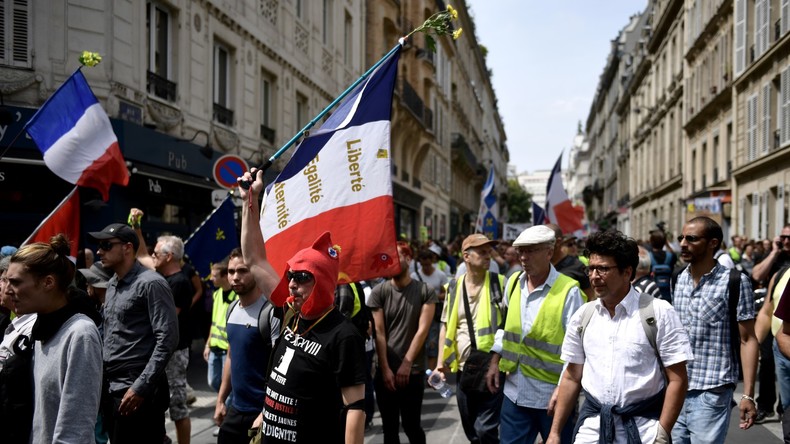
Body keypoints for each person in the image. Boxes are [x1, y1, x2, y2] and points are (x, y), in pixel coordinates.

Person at [238, 168, 367, 444]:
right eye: (291, 275)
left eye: (303, 277)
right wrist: (250, 200)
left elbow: (355, 408)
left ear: (322, 282)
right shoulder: (290, 312)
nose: (293, 284)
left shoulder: (343, 335)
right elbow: (254, 260)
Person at [547, 230, 692, 444]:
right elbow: (571, 377)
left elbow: (678, 379)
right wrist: (555, 433)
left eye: (603, 269)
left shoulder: (658, 312)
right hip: (592, 431)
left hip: (644, 432)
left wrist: (661, 434)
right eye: (591, 268)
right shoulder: (583, 316)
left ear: (627, 272)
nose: (595, 276)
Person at [486, 225, 585, 444]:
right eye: (520, 251)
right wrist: (495, 360)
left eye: (530, 251)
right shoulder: (512, 283)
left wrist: (563, 389)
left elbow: (577, 350)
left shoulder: (569, 291)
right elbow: (505, 326)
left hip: (551, 399)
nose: (523, 257)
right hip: (514, 394)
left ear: (549, 252)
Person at [6, 235, 104, 443]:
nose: (7, 290)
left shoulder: (80, 334)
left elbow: (75, 430)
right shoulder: (37, 327)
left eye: (15, 282)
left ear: (48, 282)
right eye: (6, 281)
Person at [671, 216, 760, 442]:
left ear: (713, 243)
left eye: (691, 239)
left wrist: (748, 394)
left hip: (712, 391)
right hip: (675, 389)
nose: (683, 244)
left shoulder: (736, 282)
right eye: (681, 238)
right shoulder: (677, 279)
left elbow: (748, 339)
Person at [90, 222, 178, 444]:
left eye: (106, 245)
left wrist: (141, 386)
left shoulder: (151, 283)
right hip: (112, 390)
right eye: (99, 245)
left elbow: (167, 339)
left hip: (137, 392)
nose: (100, 251)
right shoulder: (112, 284)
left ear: (127, 247)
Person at [434, 233, 506, 444]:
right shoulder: (454, 287)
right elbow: (446, 327)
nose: (488, 256)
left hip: (493, 367)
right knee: (470, 427)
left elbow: (511, 325)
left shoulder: (500, 283)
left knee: (486, 429)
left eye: (489, 251)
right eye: (482, 252)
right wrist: (440, 363)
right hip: (465, 368)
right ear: (466, 256)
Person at [369, 242, 437, 444]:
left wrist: (407, 364)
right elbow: (379, 331)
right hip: (385, 372)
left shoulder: (425, 291)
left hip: (413, 371)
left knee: (411, 426)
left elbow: (422, 330)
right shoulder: (379, 292)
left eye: (397, 256)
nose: (393, 261)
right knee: (389, 429)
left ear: (409, 259)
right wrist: (385, 368)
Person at [213, 248, 281, 444]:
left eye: (243, 271)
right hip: (236, 409)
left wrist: (267, 412)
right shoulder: (232, 309)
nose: (235, 277)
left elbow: (280, 369)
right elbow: (231, 356)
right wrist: (220, 401)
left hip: (264, 413)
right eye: (231, 271)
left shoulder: (270, 313)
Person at [152, 235, 193, 444]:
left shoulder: (179, 283)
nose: (152, 257)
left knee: (178, 406)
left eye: (156, 254)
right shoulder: (163, 279)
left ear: (169, 257)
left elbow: (166, 320)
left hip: (175, 353)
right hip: (165, 352)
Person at [0, 255, 37, 443]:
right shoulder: (13, 323)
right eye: (5, 280)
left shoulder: (34, 328)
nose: (6, 288)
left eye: (11, 281)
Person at [411, 247, 448, 371]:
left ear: (433, 261)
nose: (426, 267)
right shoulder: (415, 276)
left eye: (428, 264)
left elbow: (446, 293)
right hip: (418, 312)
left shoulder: (440, 275)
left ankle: (432, 372)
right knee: (417, 340)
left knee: (433, 342)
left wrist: (433, 296)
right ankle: (418, 369)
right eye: (423, 265)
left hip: (434, 313)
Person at [546, 224, 593, 300]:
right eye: (569, 244)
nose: (574, 247)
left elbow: (588, 297)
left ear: (558, 243)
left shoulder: (578, 266)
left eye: (575, 243)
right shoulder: (541, 266)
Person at [648, 229, 677, 303]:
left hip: (652, 292)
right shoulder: (671, 256)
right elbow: (675, 256)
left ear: (651, 242)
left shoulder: (648, 256)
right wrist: (667, 244)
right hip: (667, 292)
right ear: (664, 242)